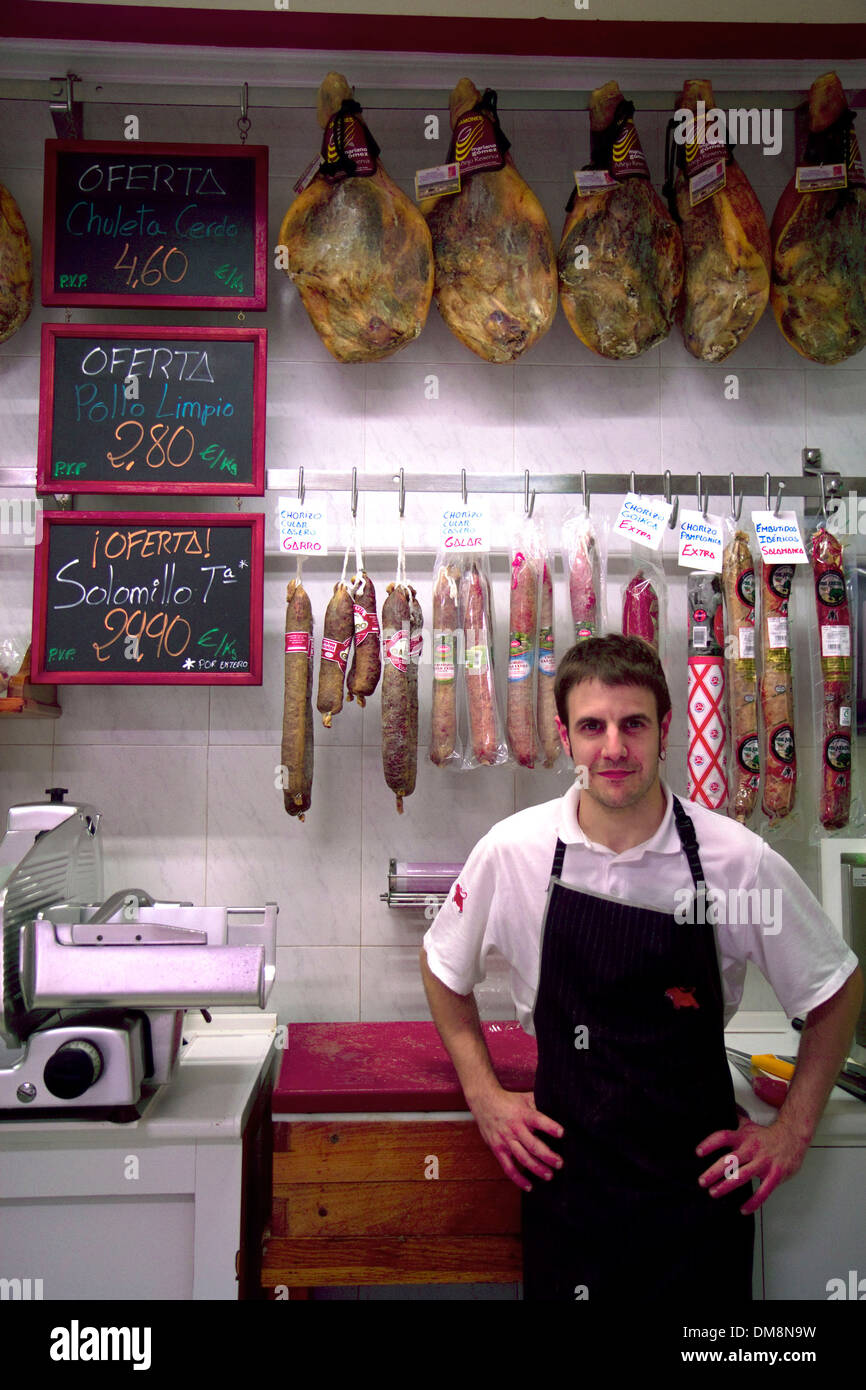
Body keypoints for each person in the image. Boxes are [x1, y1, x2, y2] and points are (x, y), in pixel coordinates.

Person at [420, 634, 862, 1302]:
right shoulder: (514, 852)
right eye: (592, 727)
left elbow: (837, 989)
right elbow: (443, 969)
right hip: (569, 1187)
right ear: (566, 739)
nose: (614, 748)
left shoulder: (735, 860)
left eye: (633, 725)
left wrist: (793, 1131)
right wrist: (484, 1095)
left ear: (665, 732)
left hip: (698, 1198)